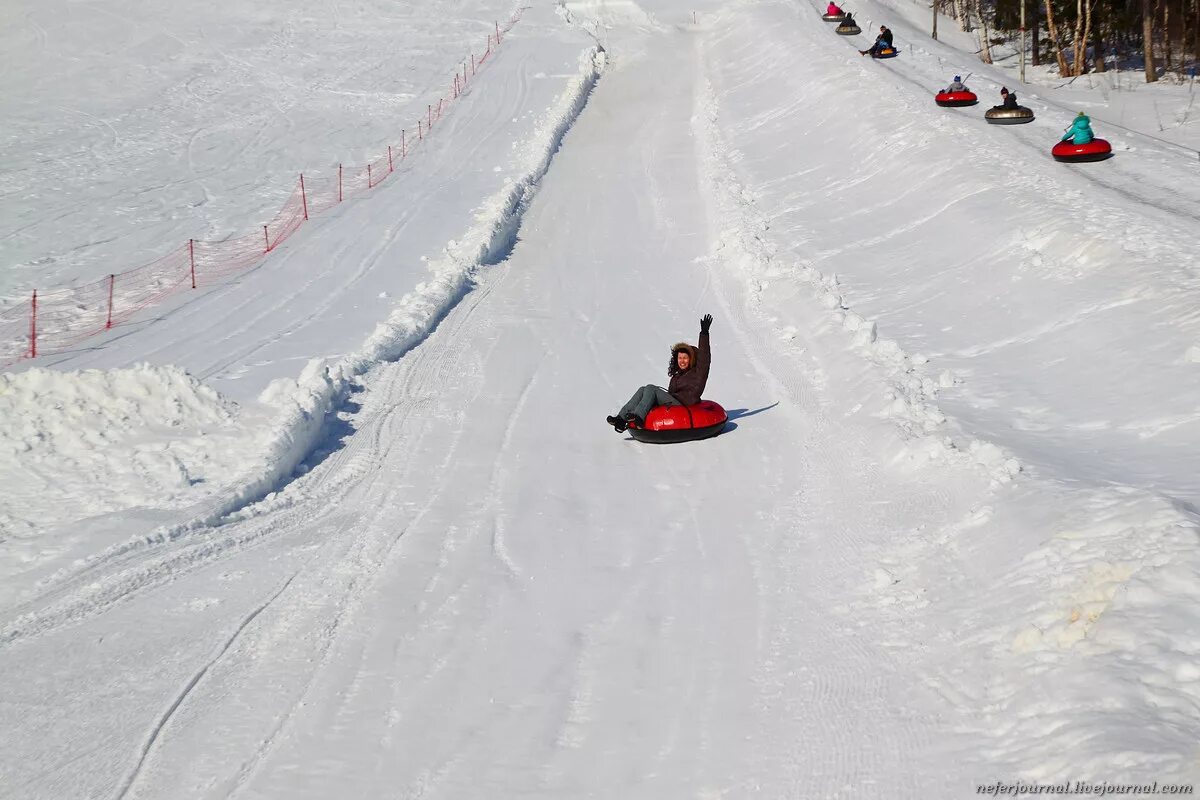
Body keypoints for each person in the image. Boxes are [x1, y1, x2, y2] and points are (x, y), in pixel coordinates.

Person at [607, 315, 713, 432]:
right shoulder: (677, 376)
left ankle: (639, 417)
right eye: (680, 358)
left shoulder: (698, 373)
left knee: (651, 388)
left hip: (683, 405)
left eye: (685, 358)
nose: (682, 361)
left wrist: (704, 333)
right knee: (643, 389)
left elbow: (704, 359)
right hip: (674, 402)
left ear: (691, 359)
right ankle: (621, 419)